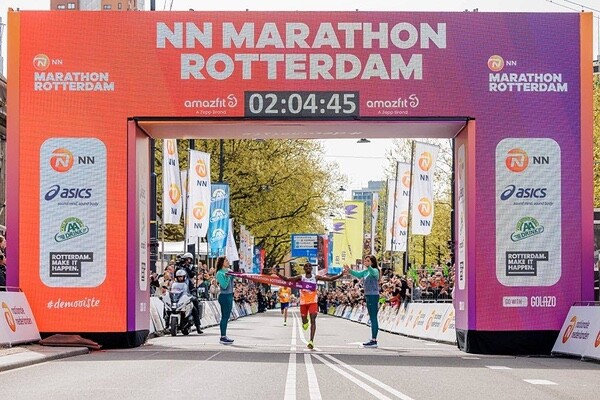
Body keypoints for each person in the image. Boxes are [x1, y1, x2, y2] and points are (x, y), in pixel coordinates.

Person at [277, 262, 343, 350]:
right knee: (304, 321)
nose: (308, 267)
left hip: (313, 302)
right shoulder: (301, 277)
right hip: (303, 303)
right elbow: (287, 279)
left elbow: (330, 279)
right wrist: (277, 274)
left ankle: (311, 341)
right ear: (304, 269)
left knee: (313, 319)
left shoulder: (316, 277)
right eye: (306, 266)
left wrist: (341, 275)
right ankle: (305, 322)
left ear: (311, 269)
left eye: (309, 266)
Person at [344, 255, 381, 348]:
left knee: (373, 317)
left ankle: (374, 340)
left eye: (368, 261)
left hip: (373, 295)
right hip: (368, 295)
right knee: (371, 317)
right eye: (365, 261)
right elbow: (358, 274)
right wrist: (349, 270)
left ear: (372, 262)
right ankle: (373, 339)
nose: (366, 262)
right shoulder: (366, 271)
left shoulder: (375, 270)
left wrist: (369, 267)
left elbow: (374, 273)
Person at [175, 253, 203, 334]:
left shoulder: (191, 268)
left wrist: (186, 267)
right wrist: (178, 265)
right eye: (186, 259)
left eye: (189, 259)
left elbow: (192, 274)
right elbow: (175, 274)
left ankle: (198, 326)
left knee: (195, 304)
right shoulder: (179, 269)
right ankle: (167, 321)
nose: (188, 261)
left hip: (188, 291)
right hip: (179, 291)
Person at [215, 256, 235, 345]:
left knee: (227, 317)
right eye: (226, 261)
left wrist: (232, 275)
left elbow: (232, 282)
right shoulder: (219, 273)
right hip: (224, 296)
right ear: (222, 262)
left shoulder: (229, 271)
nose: (228, 262)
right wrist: (227, 277)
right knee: (224, 316)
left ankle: (224, 335)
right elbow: (224, 286)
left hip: (230, 295)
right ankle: (222, 336)